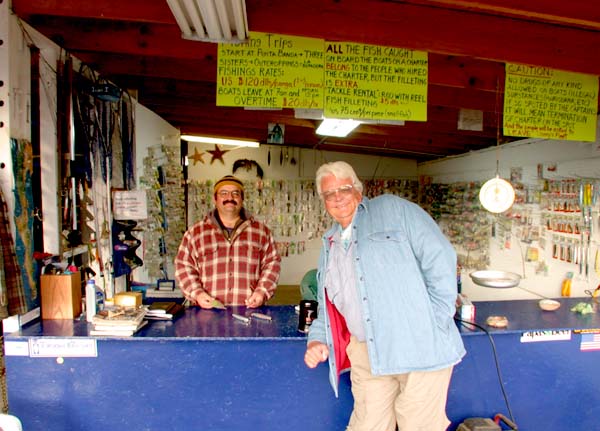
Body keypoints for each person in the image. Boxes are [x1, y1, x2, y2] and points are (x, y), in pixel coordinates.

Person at [304, 161, 465, 431]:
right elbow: (326, 303)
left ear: (358, 189)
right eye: (329, 194)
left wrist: (434, 320)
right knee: (367, 425)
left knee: (418, 425)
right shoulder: (329, 243)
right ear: (323, 201)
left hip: (418, 346)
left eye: (343, 188)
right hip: (368, 351)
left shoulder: (393, 209)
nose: (337, 198)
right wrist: (317, 338)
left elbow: (441, 257)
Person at [174, 175, 281, 308]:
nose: (229, 198)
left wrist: (262, 292)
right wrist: (197, 293)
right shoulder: (195, 233)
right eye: (223, 193)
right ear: (215, 199)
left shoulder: (261, 232)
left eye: (235, 193)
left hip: (249, 312)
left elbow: (272, 264)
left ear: (242, 198)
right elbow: (183, 266)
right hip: (208, 312)